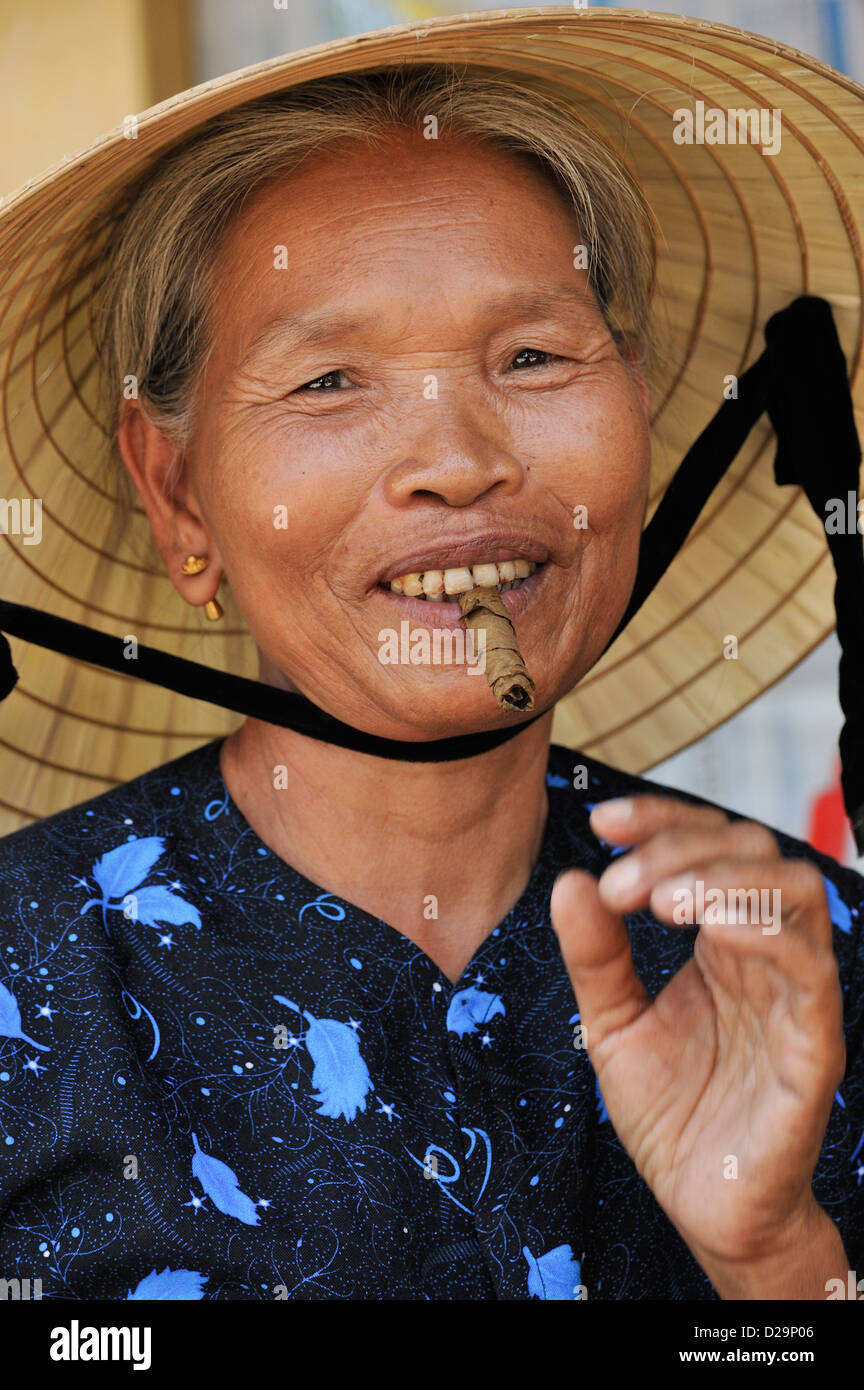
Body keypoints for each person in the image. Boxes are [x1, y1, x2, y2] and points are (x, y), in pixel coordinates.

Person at [0, 26, 862, 1302]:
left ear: (637, 403)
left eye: (531, 356)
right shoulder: (30, 972)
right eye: (332, 379)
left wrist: (779, 1263)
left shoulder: (811, 959)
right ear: (178, 496)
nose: (458, 458)